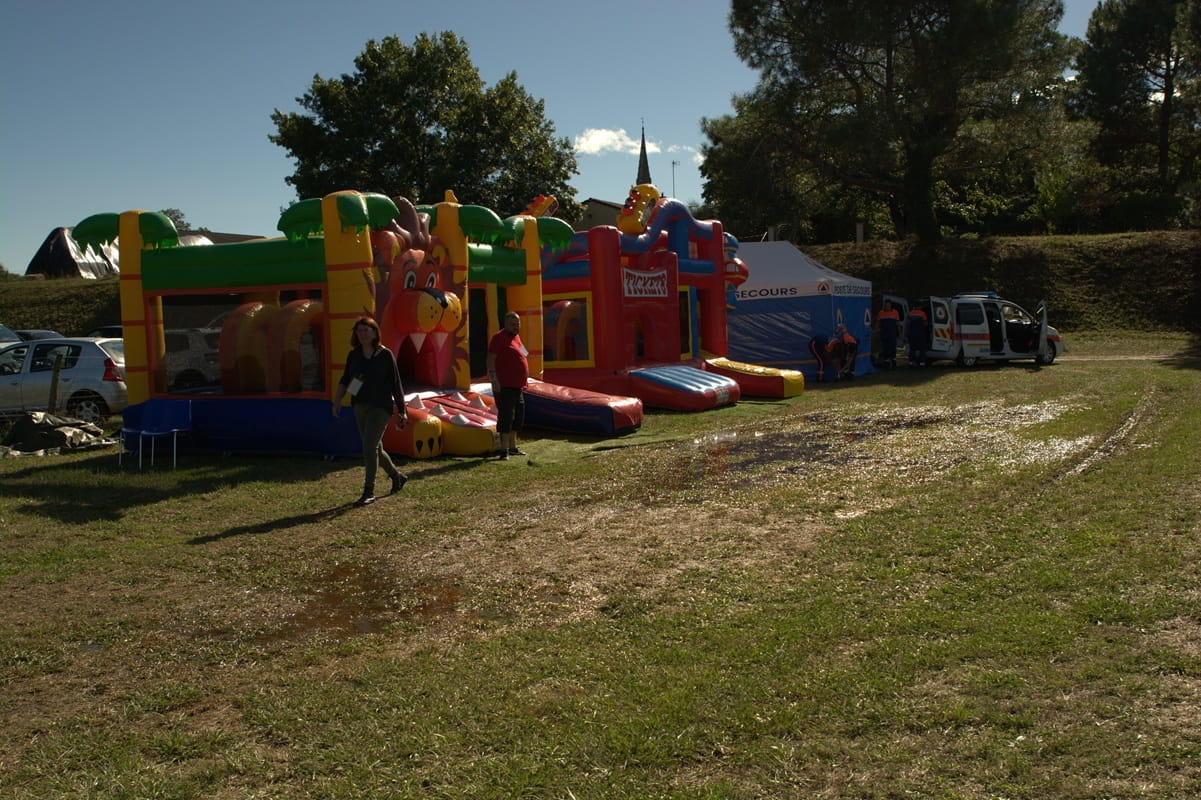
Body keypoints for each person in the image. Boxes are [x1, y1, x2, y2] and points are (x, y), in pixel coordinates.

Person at [332, 317, 408, 506]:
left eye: (366, 330)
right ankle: (397, 476)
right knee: (375, 448)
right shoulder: (354, 355)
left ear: (375, 332)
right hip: (360, 405)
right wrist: (337, 400)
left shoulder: (385, 355)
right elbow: (346, 379)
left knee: (369, 446)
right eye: (359, 331)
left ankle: (369, 491)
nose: (363, 334)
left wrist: (402, 410)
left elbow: (396, 383)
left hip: (381, 406)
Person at [487, 311, 529, 460]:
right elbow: (491, 358)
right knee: (506, 417)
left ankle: (513, 447)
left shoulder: (516, 337)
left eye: (518, 324)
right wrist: (494, 379)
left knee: (518, 417)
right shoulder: (498, 338)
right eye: (512, 324)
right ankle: (503, 450)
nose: (516, 326)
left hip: (518, 386)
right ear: (505, 324)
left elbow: (523, 354)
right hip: (505, 385)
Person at [876, 300, 901, 369]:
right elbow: (878, 323)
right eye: (886, 305)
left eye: (888, 305)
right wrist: (875, 330)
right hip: (884, 334)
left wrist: (899, 333)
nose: (887, 306)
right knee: (885, 348)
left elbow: (898, 324)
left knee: (893, 348)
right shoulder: (881, 313)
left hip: (892, 333)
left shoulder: (895, 312)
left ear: (890, 305)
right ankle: (886, 363)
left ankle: (894, 363)